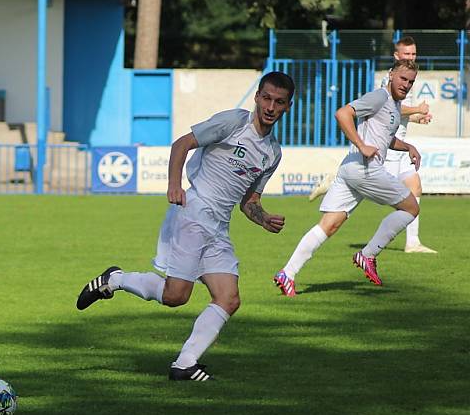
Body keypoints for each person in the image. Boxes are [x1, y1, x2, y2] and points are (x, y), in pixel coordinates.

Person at [76, 71, 295, 382]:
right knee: (176, 296)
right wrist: (174, 184)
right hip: (193, 213)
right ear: (257, 97)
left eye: (279, 102)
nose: (271, 107)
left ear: (287, 106)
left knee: (229, 299)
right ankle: (116, 279)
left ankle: (184, 364)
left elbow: (249, 201)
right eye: (267, 98)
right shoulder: (234, 122)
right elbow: (182, 144)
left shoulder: (273, 153)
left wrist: (264, 218)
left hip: (218, 227)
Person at [274, 59, 422, 297]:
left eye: (411, 82)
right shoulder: (380, 97)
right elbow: (343, 113)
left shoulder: (394, 105)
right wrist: (362, 145)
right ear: (391, 74)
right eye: (403, 79)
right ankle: (368, 255)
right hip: (366, 169)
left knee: (329, 225)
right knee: (411, 207)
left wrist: (408, 147)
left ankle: (287, 274)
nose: (406, 85)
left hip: (351, 169)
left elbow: (385, 139)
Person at [309, 36, 436, 253]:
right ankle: (368, 254)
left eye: (414, 54)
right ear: (396, 58)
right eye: (407, 54)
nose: (411, 57)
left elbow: (396, 115)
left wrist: (416, 119)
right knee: (348, 210)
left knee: (415, 188)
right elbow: (385, 109)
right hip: (380, 150)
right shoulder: (386, 85)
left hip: (396, 143)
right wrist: (416, 110)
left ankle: (412, 242)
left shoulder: (407, 79)